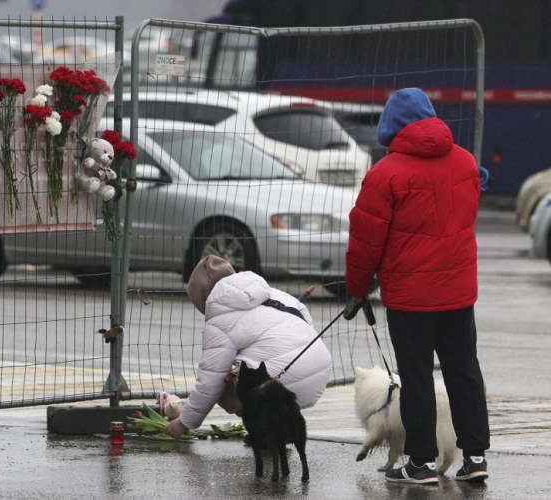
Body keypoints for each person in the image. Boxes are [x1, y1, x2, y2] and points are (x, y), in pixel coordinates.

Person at [343, 88, 490, 484]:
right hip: (459, 292)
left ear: (391, 126)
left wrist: (357, 288)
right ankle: (475, 457)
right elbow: (469, 212)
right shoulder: (465, 161)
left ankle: (421, 462)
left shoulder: (386, 173)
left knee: (418, 376)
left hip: (411, 300)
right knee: (464, 372)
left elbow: (365, 240)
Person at [165, 255, 332, 439]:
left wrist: (184, 422)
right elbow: (306, 325)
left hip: (280, 382)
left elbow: (210, 381)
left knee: (226, 380)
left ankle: (264, 431)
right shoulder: (273, 293)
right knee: (245, 365)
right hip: (319, 367)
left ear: (202, 297)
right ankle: (282, 426)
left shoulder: (219, 321)